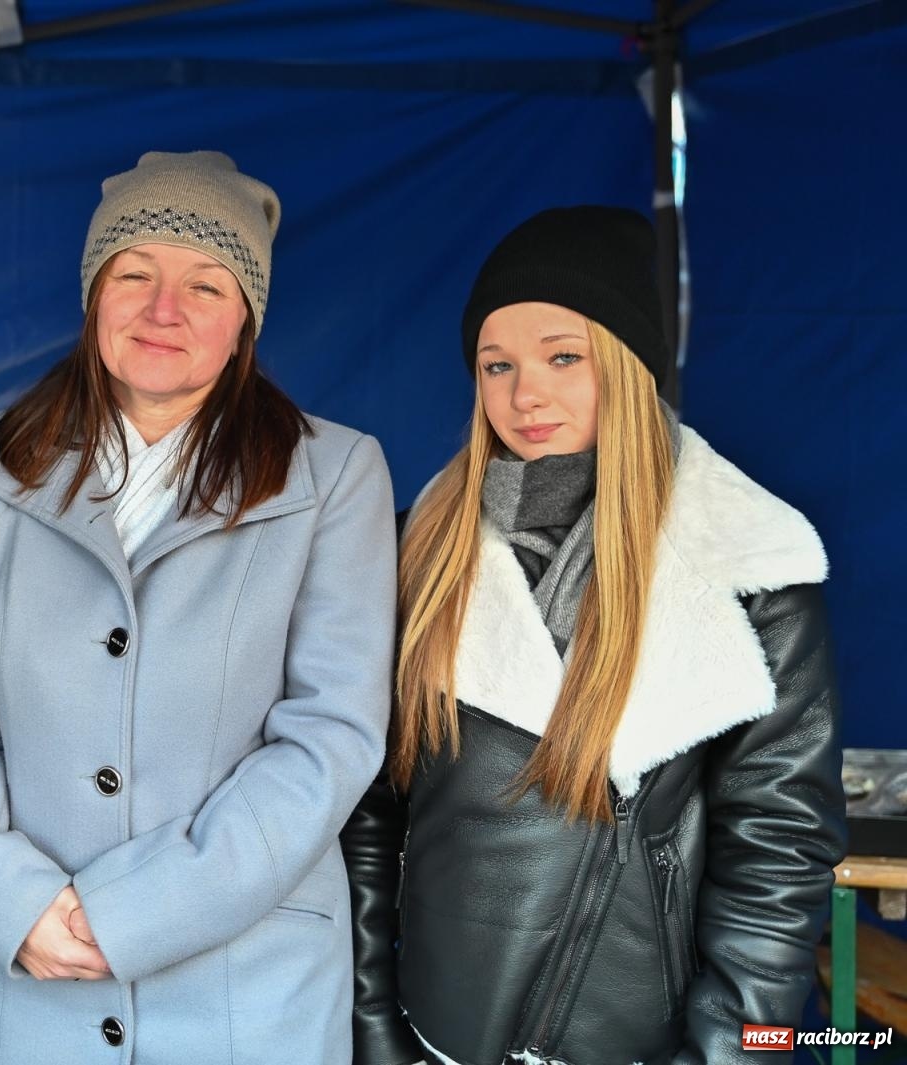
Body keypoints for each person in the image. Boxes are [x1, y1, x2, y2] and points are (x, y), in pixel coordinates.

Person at [0, 150, 397, 1064]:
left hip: (244, 993)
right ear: (94, 294)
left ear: (245, 318)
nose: (163, 309)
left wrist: (135, 913)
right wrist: (12, 901)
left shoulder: (333, 475)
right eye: (134, 274)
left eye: (205, 284)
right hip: (26, 980)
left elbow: (330, 735)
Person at [341, 206, 845, 1064]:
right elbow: (364, 817)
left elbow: (778, 852)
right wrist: (376, 1031)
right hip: (435, 1041)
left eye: (563, 356)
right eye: (497, 364)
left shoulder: (752, 567)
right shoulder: (414, 555)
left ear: (628, 362)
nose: (524, 394)